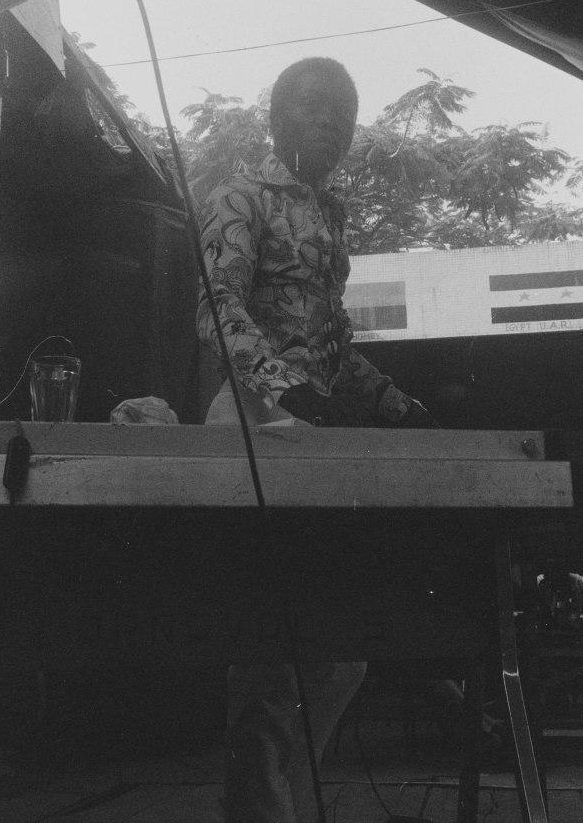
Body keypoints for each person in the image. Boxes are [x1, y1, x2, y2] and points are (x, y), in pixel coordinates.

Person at [196, 57, 437, 823]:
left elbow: (331, 341)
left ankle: (284, 808)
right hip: (251, 423)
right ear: (275, 117)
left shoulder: (330, 217)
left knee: (337, 659)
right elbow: (215, 308)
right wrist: (277, 384)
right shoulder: (237, 197)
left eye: (344, 109)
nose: (331, 120)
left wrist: (393, 400)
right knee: (274, 655)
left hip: (315, 437)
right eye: (313, 105)